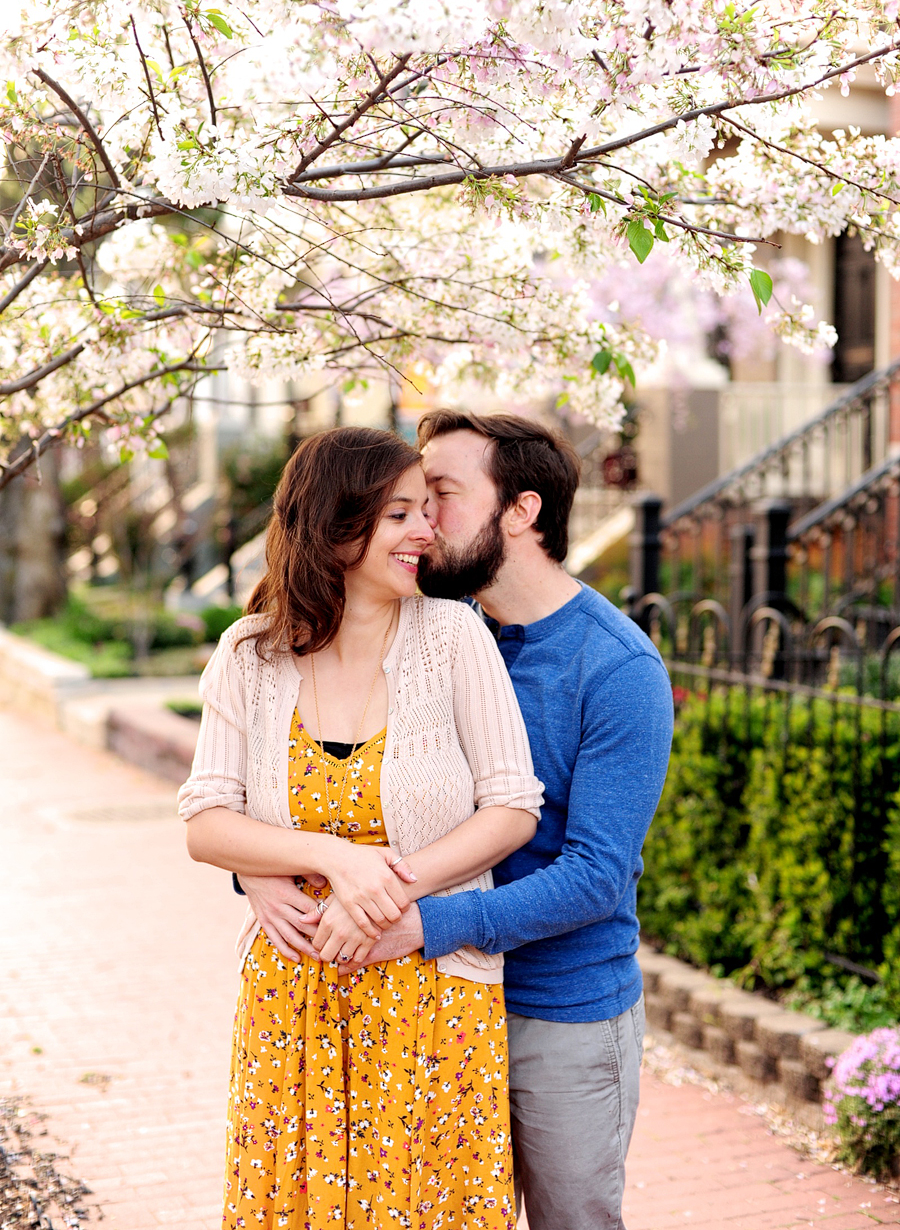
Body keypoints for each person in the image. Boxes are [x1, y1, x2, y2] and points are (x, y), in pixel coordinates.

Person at [240, 411, 674, 1230]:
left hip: (557, 1014)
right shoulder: (436, 633)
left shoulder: (617, 669)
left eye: (439, 495)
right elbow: (326, 785)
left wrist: (426, 923)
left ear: (522, 511)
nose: (422, 522)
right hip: (427, 999)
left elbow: (596, 874)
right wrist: (258, 869)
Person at [178, 426, 543, 1230]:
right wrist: (326, 858)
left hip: (434, 993)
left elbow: (514, 805)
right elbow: (206, 820)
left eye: (426, 510)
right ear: (335, 526)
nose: (426, 532)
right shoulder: (250, 652)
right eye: (398, 515)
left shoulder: (454, 638)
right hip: (292, 1000)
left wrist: (381, 891)